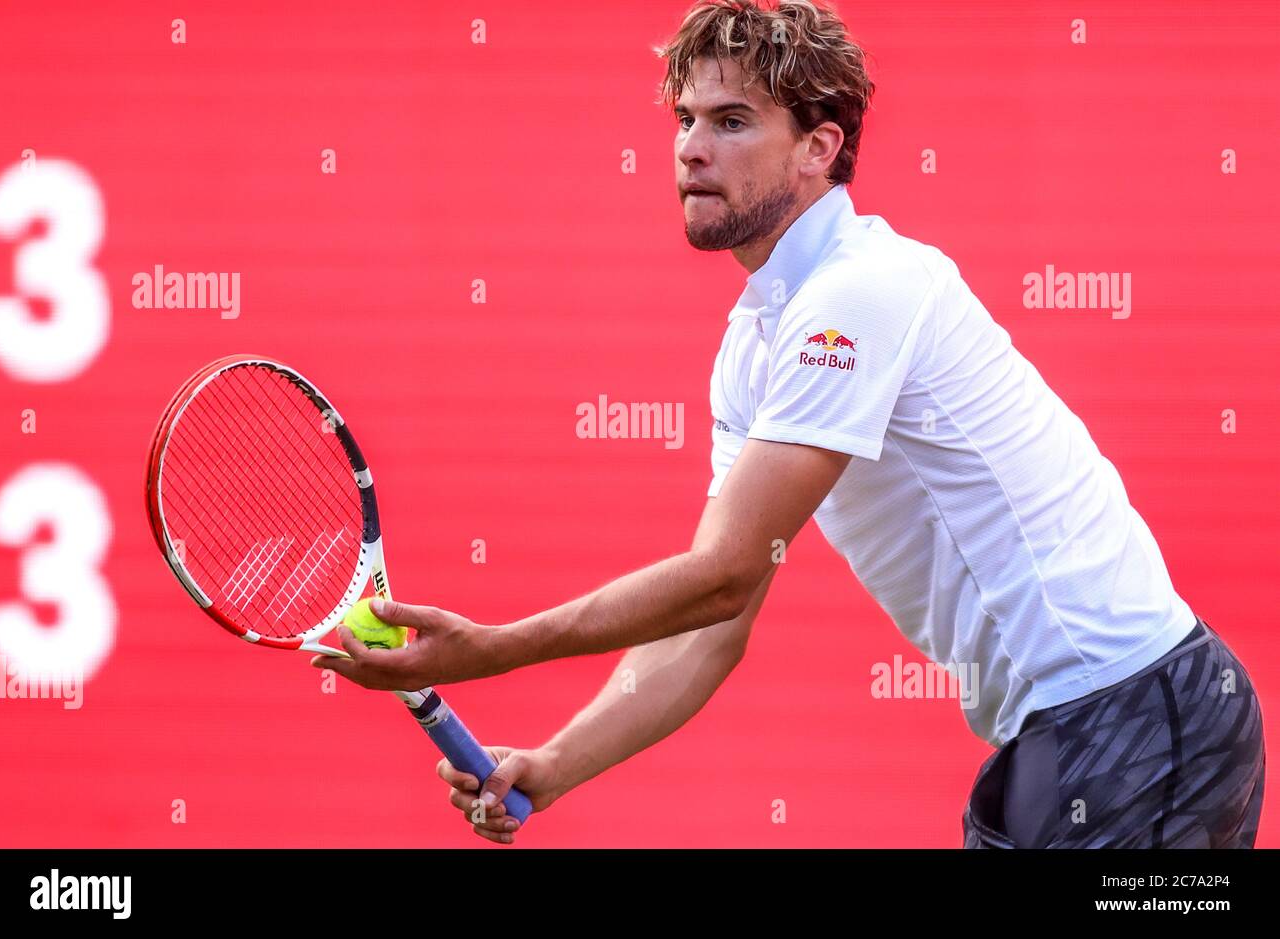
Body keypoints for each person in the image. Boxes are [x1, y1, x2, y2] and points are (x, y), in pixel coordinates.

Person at [313, 0, 1265, 848]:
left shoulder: (864, 289)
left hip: (1139, 715)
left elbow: (723, 574)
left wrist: (496, 647)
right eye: (684, 119)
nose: (690, 147)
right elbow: (713, 623)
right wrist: (556, 762)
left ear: (819, 146)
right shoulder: (754, 347)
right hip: (1074, 735)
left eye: (731, 122)